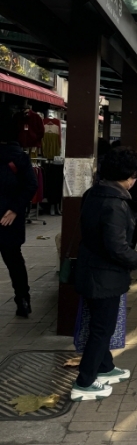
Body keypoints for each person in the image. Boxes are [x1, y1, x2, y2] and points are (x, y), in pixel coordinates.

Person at [70, 147, 137, 401]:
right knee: (102, 329)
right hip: (104, 277)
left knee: (100, 325)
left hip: (91, 271)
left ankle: (105, 367)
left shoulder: (94, 194)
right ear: (129, 176)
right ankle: (85, 381)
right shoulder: (116, 203)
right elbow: (116, 247)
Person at [0, 106, 38, 318]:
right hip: (9, 219)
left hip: (8, 215)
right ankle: (22, 299)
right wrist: (15, 209)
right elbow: (31, 186)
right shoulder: (20, 157)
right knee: (14, 261)